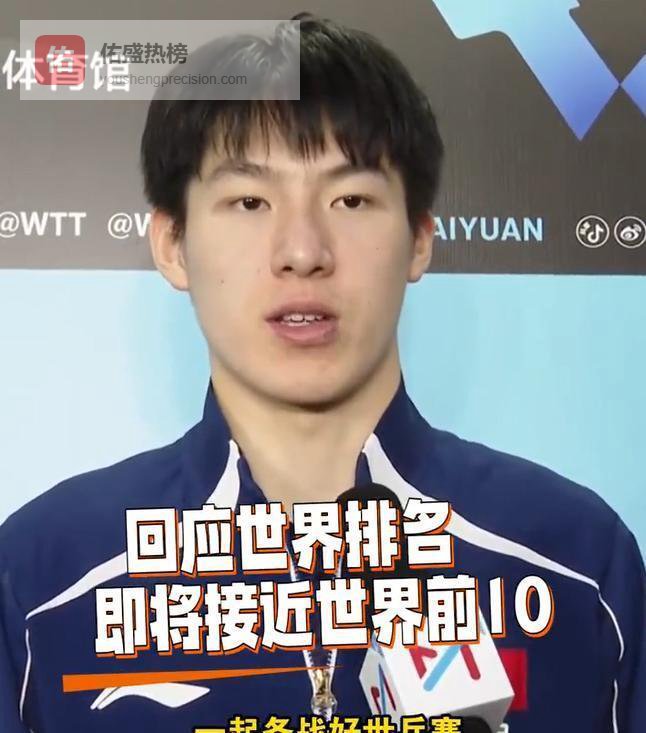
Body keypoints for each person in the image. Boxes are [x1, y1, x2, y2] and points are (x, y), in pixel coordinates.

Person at [0, 12, 643, 733]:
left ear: (419, 239)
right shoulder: (45, 579)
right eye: (249, 201)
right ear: (173, 243)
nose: (303, 251)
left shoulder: (573, 560)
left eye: (351, 200)